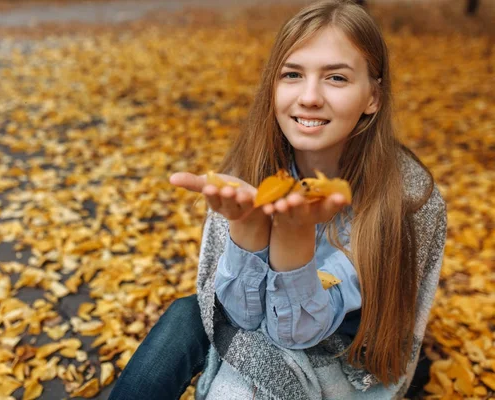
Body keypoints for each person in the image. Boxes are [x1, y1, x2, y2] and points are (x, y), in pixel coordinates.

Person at [110, 0, 447, 399]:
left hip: (342, 348)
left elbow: (296, 333)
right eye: (292, 74)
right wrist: (249, 229)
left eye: (335, 78)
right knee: (186, 315)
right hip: (262, 318)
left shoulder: (404, 200)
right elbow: (237, 314)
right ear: (273, 85)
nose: (309, 97)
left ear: (373, 96)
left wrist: (292, 233)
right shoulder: (251, 169)